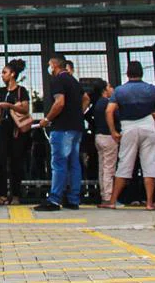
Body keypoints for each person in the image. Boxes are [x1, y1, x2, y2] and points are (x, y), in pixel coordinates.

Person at [98, 61, 155, 210]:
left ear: (127, 73)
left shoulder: (120, 91)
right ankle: (149, 203)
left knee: (124, 164)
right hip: (148, 125)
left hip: (128, 126)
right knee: (150, 164)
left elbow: (109, 111)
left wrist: (114, 131)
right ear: (141, 72)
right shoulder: (150, 89)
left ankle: (112, 201)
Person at [36, 55, 90, 212]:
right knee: (74, 163)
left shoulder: (58, 80)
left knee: (59, 163)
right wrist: (77, 114)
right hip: (76, 127)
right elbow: (86, 98)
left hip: (62, 127)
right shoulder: (73, 80)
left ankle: (54, 199)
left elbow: (59, 102)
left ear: (54, 65)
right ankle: (73, 199)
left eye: (49, 65)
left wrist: (47, 119)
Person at [0, 59, 30, 206]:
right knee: (1, 161)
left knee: (16, 161)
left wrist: (10, 106)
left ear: (13, 74)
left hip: (17, 129)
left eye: (5, 72)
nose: (2, 75)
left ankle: (15, 194)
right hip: (3, 128)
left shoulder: (21, 91)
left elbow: (25, 108)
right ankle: (2, 194)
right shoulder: (1, 92)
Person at [91, 82, 118, 206]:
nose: (112, 89)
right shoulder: (108, 103)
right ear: (104, 90)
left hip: (99, 136)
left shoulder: (97, 103)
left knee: (102, 168)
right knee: (109, 168)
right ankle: (109, 197)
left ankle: (104, 195)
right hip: (109, 136)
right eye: (109, 87)